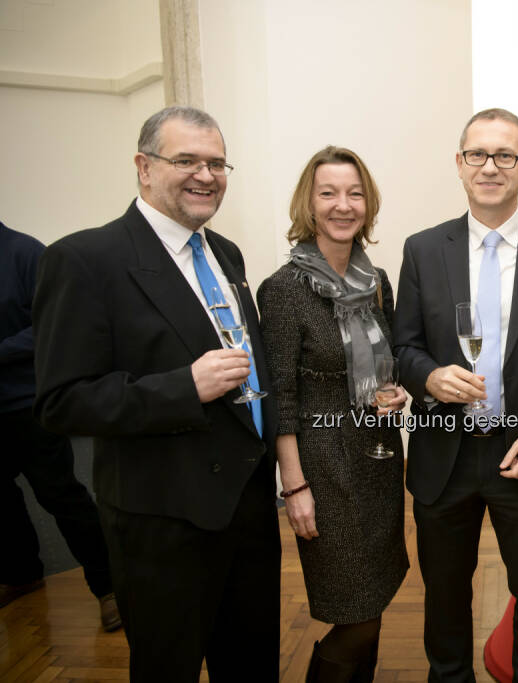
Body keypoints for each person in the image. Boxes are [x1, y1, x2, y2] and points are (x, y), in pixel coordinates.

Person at [33, 106, 281, 681]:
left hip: (246, 510)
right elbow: (62, 400)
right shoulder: (84, 260)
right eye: (187, 160)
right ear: (144, 168)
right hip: (162, 523)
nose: (206, 175)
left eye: (217, 163)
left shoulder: (225, 253)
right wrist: (182, 387)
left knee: (251, 664)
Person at [393, 108, 518, 681]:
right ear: (459, 164)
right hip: (443, 455)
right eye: (477, 154)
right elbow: (403, 347)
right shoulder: (423, 249)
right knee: (444, 599)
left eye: (505, 155)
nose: (490, 166)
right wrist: (428, 377)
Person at [257, 146, 409, 681]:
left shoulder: (376, 282)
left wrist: (395, 392)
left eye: (354, 193)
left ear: (367, 204)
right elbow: (281, 398)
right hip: (326, 470)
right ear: (309, 202)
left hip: (379, 459)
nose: (342, 205)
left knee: (375, 600)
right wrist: (294, 488)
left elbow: (381, 368)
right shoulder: (283, 291)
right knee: (355, 613)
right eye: (328, 193)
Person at [0, 220, 120, 631]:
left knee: (60, 495)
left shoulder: (24, 252)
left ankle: (109, 587)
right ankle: (22, 573)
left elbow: (50, 325)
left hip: (27, 404)